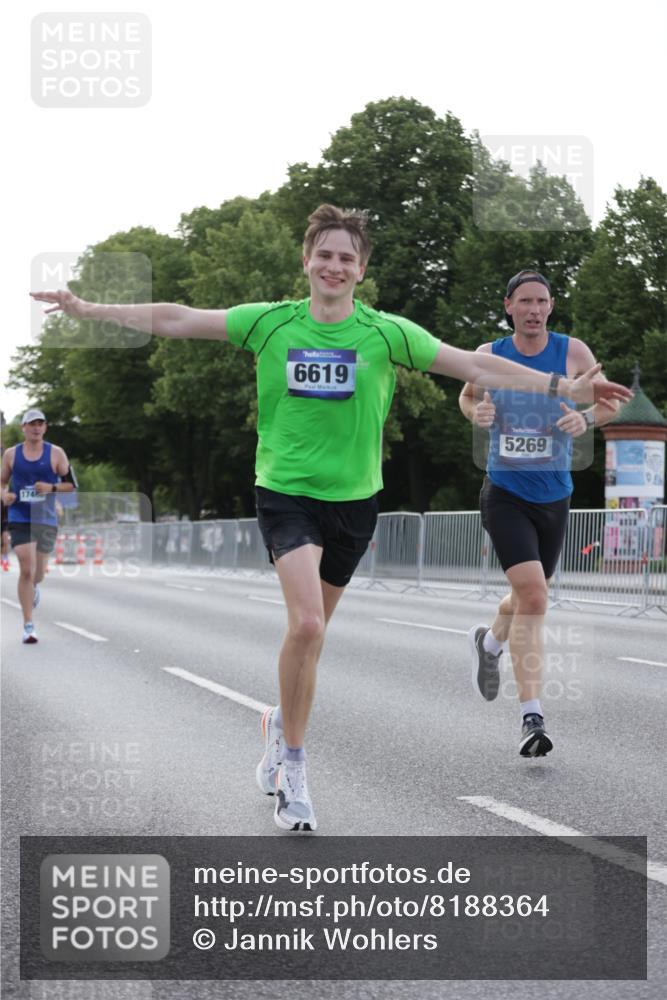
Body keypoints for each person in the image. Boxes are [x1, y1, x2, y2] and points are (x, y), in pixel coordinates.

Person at [31, 208, 631, 831]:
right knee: (309, 626)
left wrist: (561, 388)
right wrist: (92, 310)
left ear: (361, 269)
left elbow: (474, 367)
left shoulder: (386, 332)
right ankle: (294, 767)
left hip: (354, 503)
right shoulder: (269, 323)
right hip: (286, 494)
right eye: (325, 255)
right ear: (307, 260)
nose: (335, 266)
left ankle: (276, 724)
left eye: (347, 258)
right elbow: (179, 319)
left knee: (311, 642)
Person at [459, 269, 620, 757]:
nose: (533, 309)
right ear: (508, 306)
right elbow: (468, 398)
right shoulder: (489, 356)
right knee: (534, 595)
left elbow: (608, 403)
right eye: (524, 301)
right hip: (505, 492)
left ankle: (489, 643)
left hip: (555, 495)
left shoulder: (574, 354)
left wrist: (585, 417)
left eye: (542, 301)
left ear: (550, 307)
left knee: (526, 598)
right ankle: (532, 715)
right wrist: (477, 414)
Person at [0, 409, 76, 643]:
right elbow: (2, 482)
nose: (36, 428)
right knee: (25, 568)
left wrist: (51, 488)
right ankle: (28, 626)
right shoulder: (12, 455)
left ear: (45, 427)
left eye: (40, 424)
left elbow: (70, 486)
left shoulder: (56, 454)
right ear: (23, 427)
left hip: (45, 517)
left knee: (38, 573)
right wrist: (5, 496)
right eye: (31, 424)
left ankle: (34, 586)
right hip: (20, 516)